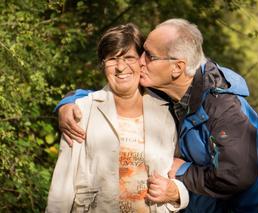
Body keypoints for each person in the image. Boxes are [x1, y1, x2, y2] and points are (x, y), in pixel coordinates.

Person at [57, 19, 258, 212]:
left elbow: (236, 175)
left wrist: (183, 172)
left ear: (177, 67)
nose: (140, 60)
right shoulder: (166, 87)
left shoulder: (224, 108)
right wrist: (69, 102)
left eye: (150, 56)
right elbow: (112, 92)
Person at [46, 23, 189, 212]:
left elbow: (182, 170)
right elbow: (62, 187)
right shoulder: (82, 110)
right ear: (103, 64)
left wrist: (178, 192)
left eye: (129, 57)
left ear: (142, 61)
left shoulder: (168, 112)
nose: (121, 67)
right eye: (112, 59)